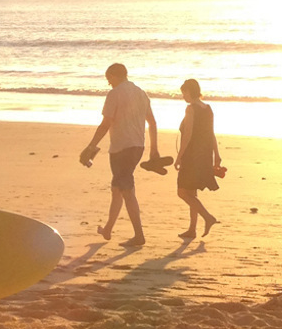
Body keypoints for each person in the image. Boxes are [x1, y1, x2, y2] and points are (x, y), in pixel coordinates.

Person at [80, 63, 160, 247]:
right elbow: (152, 122)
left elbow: (106, 123)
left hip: (121, 148)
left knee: (126, 190)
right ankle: (108, 229)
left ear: (115, 76)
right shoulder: (141, 93)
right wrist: (154, 149)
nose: (109, 84)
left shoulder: (114, 94)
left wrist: (91, 145)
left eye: (109, 80)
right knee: (117, 188)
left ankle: (139, 235)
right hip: (138, 147)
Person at [175, 78, 221, 239]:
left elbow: (187, 136)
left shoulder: (191, 109)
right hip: (204, 155)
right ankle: (192, 229)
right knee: (191, 192)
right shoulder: (208, 108)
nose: (183, 97)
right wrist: (217, 155)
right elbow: (211, 134)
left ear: (189, 91)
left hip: (191, 156)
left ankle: (208, 217)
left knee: (182, 192)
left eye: (184, 93)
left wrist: (179, 157)